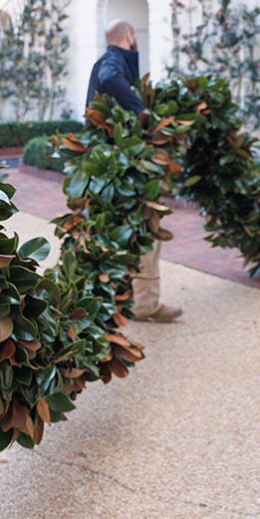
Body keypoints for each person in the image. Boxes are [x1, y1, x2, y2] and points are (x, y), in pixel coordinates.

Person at [86, 20, 183, 323]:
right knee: (146, 231)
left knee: (117, 231)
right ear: (129, 35)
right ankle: (145, 304)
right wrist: (139, 108)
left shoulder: (104, 60)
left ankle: (119, 299)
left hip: (108, 164)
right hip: (124, 164)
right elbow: (111, 77)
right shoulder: (112, 62)